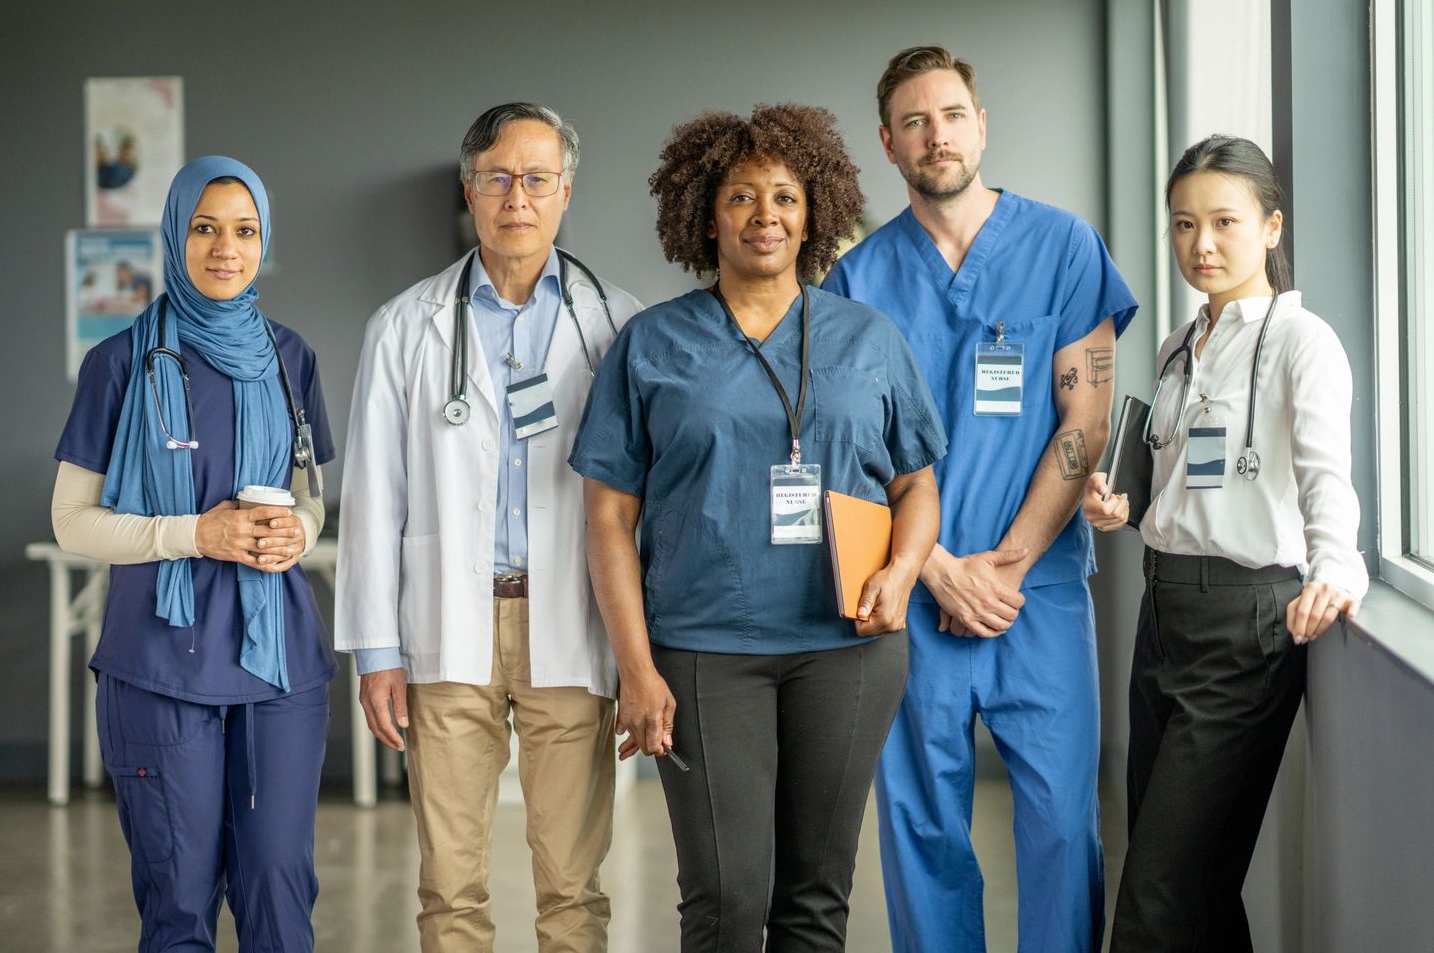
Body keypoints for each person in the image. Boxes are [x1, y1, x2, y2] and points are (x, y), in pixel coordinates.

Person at [570, 103, 946, 951]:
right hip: (704, 653)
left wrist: (904, 569)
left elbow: (917, 484)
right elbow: (607, 518)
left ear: (814, 212)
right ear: (706, 212)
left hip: (846, 649)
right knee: (728, 900)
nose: (764, 215)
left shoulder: (868, 337)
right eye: (742, 196)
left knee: (814, 903)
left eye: (784, 196)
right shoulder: (652, 343)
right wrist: (636, 667)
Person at [822, 46, 1139, 953]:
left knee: (1060, 828)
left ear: (982, 124)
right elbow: (854, 457)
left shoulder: (1064, 247)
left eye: (953, 114)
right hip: (912, 598)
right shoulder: (858, 280)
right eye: (915, 121)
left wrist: (1007, 564)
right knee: (923, 831)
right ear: (888, 143)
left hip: (1033, 597)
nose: (938, 134)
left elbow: (1085, 412)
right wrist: (936, 571)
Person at [335, 102, 642, 953]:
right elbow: (371, 496)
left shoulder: (617, 324)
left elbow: (640, 498)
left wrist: (637, 649)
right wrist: (376, 651)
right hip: (446, 625)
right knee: (449, 886)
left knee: (575, 888)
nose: (518, 197)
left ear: (566, 192)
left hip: (572, 618)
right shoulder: (403, 326)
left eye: (536, 179)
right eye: (498, 178)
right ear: (469, 192)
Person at [1084, 135, 1366, 952]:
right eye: (1182, 225)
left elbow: (1325, 475)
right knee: (1192, 887)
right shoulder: (1181, 345)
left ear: (1272, 229)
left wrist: (1337, 565)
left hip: (1246, 627)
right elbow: (1178, 482)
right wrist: (1122, 503)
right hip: (1163, 610)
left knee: (1156, 899)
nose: (1200, 244)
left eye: (1224, 223)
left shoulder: (1299, 341)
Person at [51, 155, 336, 950]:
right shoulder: (116, 364)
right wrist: (193, 533)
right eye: (205, 228)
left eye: (244, 231)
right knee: (177, 902)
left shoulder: (291, 358)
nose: (225, 248)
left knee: (280, 895)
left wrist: (303, 532)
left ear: (263, 241)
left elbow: (310, 495)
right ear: (175, 236)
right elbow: (73, 521)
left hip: (278, 663)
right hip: (159, 667)